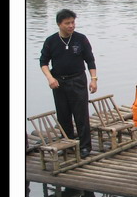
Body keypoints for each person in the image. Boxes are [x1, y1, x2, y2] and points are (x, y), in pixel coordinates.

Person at [39, 9, 97, 157]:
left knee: (81, 114)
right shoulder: (51, 41)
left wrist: (93, 79)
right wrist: (50, 78)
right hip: (59, 81)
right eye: (67, 23)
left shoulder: (80, 39)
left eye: (73, 22)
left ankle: (85, 146)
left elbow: (90, 60)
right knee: (63, 114)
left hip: (77, 79)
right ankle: (68, 143)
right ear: (59, 24)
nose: (71, 26)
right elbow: (43, 62)